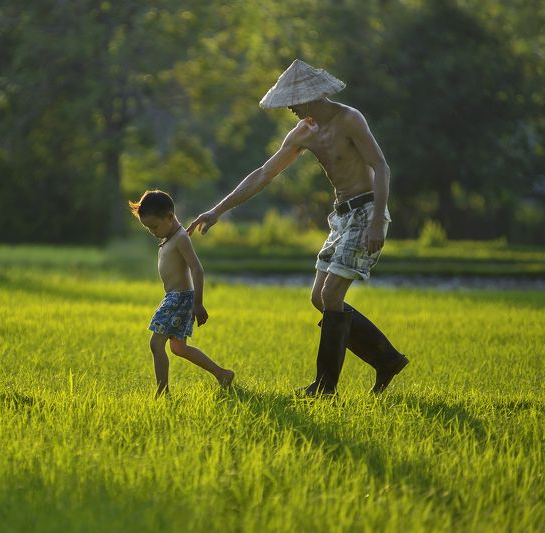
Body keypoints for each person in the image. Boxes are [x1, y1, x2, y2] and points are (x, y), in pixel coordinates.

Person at [187, 59, 408, 397]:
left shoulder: (349, 119)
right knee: (320, 299)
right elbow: (263, 174)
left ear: (310, 94)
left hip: (365, 211)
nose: (289, 107)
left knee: (332, 295)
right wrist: (218, 210)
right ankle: (387, 359)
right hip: (341, 217)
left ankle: (325, 387)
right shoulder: (304, 132)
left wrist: (378, 220)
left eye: (293, 100)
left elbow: (381, 165)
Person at [129, 190, 235, 397]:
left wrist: (198, 303)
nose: (152, 232)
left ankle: (162, 393)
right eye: (148, 228)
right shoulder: (169, 238)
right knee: (178, 348)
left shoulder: (180, 238)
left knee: (156, 344)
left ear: (169, 217)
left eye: (154, 226)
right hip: (174, 298)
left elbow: (197, 269)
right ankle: (222, 374)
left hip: (179, 299)